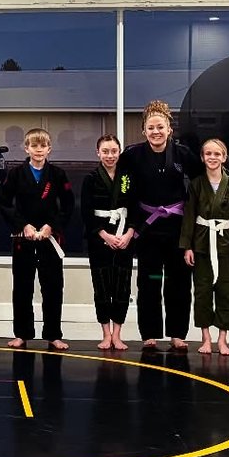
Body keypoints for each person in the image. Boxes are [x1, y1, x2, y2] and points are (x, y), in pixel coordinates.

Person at [118, 100, 202, 351]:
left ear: (169, 129)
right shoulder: (132, 155)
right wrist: (129, 221)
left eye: (160, 127)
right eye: (151, 128)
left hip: (177, 228)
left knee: (179, 282)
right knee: (150, 281)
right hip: (147, 228)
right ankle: (150, 333)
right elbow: (124, 187)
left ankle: (177, 333)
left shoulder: (183, 154)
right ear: (144, 130)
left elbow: (200, 182)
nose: (156, 132)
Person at [0, 128, 73, 351]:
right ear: (26, 148)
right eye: (34, 146)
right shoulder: (15, 174)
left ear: (49, 149)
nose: (38, 150)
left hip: (50, 238)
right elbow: (4, 203)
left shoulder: (58, 174)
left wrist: (52, 226)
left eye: (43, 146)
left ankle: (53, 334)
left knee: (53, 288)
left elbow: (68, 205)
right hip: (24, 238)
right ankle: (22, 334)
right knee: (22, 288)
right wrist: (23, 225)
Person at [180, 138, 229, 356]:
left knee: (226, 292)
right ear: (202, 158)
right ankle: (206, 338)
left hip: (226, 246)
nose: (212, 157)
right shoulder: (196, 185)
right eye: (208, 154)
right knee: (202, 292)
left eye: (217, 154)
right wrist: (187, 246)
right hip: (201, 245)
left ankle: (222, 339)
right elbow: (189, 216)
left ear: (224, 157)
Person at [81, 134, 134, 351]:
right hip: (99, 239)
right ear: (98, 153)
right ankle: (105, 333)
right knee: (102, 287)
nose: (110, 155)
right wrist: (104, 235)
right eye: (105, 151)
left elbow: (135, 207)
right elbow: (86, 212)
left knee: (122, 287)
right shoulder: (91, 178)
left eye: (113, 151)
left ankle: (118, 334)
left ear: (119, 152)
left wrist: (129, 234)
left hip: (124, 238)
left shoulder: (128, 177)